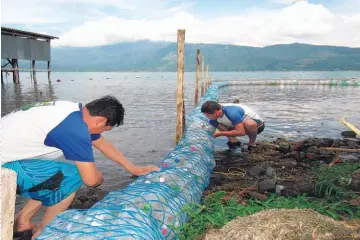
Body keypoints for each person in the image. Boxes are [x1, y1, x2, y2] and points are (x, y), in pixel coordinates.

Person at [1, 95, 160, 239]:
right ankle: (43, 233)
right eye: (106, 129)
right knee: (72, 178)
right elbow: (90, 181)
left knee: (59, 174)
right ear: (101, 121)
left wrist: (132, 168)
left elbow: (101, 143)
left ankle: (22, 222)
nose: (103, 133)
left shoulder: (72, 112)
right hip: (4, 168)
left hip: (8, 157)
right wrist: (98, 178)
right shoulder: (74, 129)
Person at [201, 100, 265, 150]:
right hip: (239, 125)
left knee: (249, 124)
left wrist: (221, 133)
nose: (207, 117)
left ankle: (252, 142)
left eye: (208, 115)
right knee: (214, 123)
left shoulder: (232, 113)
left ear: (218, 112)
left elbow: (241, 132)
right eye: (205, 115)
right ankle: (233, 140)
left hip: (257, 126)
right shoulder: (214, 115)